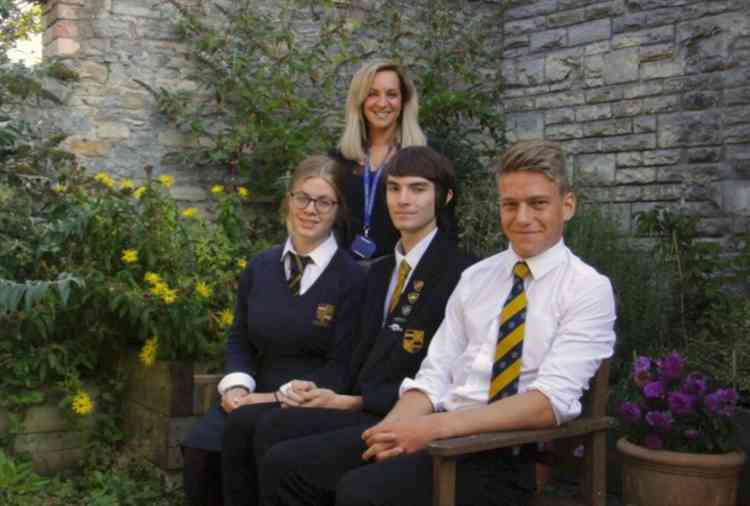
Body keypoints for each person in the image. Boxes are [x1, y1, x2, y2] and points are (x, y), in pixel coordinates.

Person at [260, 140, 617, 506]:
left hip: (507, 452)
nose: (522, 217)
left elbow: (547, 403)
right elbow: (434, 375)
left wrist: (430, 429)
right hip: (439, 432)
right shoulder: (478, 277)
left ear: (567, 205)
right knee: (287, 465)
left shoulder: (587, 289)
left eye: (537, 203)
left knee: (361, 492)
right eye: (510, 204)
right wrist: (394, 429)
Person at [221, 146, 475, 506]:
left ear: (445, 197)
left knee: (280, 448)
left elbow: (442, 371)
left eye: (417, 189)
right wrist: (325, 393)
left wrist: (348, 400)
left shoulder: (463, 272)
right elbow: (356, 352)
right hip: (360, 403)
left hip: (407, 414)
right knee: (255, 423)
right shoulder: (380, 271)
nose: (403, 200)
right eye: (394, 188)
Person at [180, 155, 367, 506]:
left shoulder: (353, 279)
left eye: (324, 201)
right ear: (289, 200)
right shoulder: (260, 267)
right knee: (200, 455)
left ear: (338, 210)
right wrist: (236, 385)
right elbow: (240, 339)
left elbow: (341, 367)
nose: (310, 209)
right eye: (303, 198)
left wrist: (272, 399)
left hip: (309, 402)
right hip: (249, 395)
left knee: (256, 451)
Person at [332, 59, 429, 260]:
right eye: (372, 94)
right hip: (345, 277)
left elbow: (440, 230)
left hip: (400, 276)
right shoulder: (337, 160)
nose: (382, 103)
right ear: (359, 100)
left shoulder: (426, 160)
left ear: (403, 101)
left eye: (391, 94)